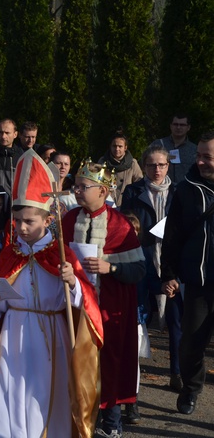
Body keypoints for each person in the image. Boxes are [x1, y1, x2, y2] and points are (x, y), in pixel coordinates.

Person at [0, 149, 103, 438]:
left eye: (29, 222)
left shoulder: (61, 254)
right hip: (14, 334)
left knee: (46, 396)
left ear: (47, 220)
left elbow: (87, 305)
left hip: (52, 336)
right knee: (8, 393)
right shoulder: (11, 254)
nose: (21, 228)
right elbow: (2, 302)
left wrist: (73, 284)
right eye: (17, 221)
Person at [62, 161, 145, 437]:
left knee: (108, 365)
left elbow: (139, 270)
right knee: (76, 362)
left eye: (83, 187)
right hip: (75, 308)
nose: (77, 191)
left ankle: (111, 426)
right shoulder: (69, 220)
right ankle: (79, 420)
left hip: (109, 309)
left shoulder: (120, 225)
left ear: (102, 190)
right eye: (75, 186)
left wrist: (112, 267)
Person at [121, 144, 181, 408]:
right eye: (151, 165)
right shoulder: (133, 192)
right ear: (143, 166)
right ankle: (131, 387)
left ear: (168, 166)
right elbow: (126, 225)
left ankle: (177, 371)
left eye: (162, 165)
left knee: (177, 320)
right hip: (144, 258)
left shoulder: (180, 192)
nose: (157, 170)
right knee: (140, 318)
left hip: (173, 261)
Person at [161, 130, 214, 416]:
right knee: (191, 343)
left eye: (208, 157)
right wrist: (168, 273)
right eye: (200, 156)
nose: (202, 162)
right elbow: (172, 236)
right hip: (199, 283)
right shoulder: (186, 189)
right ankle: (191, 389)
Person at [98, 134, 143, 207]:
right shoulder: (103, 161)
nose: (117, 149)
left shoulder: (132, 163)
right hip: (106, 202)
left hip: (126, 203)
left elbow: (139, 182)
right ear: (110, 146)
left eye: (120, 146)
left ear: (125, 148)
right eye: (114, 146)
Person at [153, 114, 197, 185]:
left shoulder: (194, 150)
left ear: (188, 127)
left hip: (185, 191)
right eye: (175, 124)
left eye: (182, 125)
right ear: (171, 126)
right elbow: (145, 165)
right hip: (161, 190)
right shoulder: (158, 145)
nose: (178, 127)